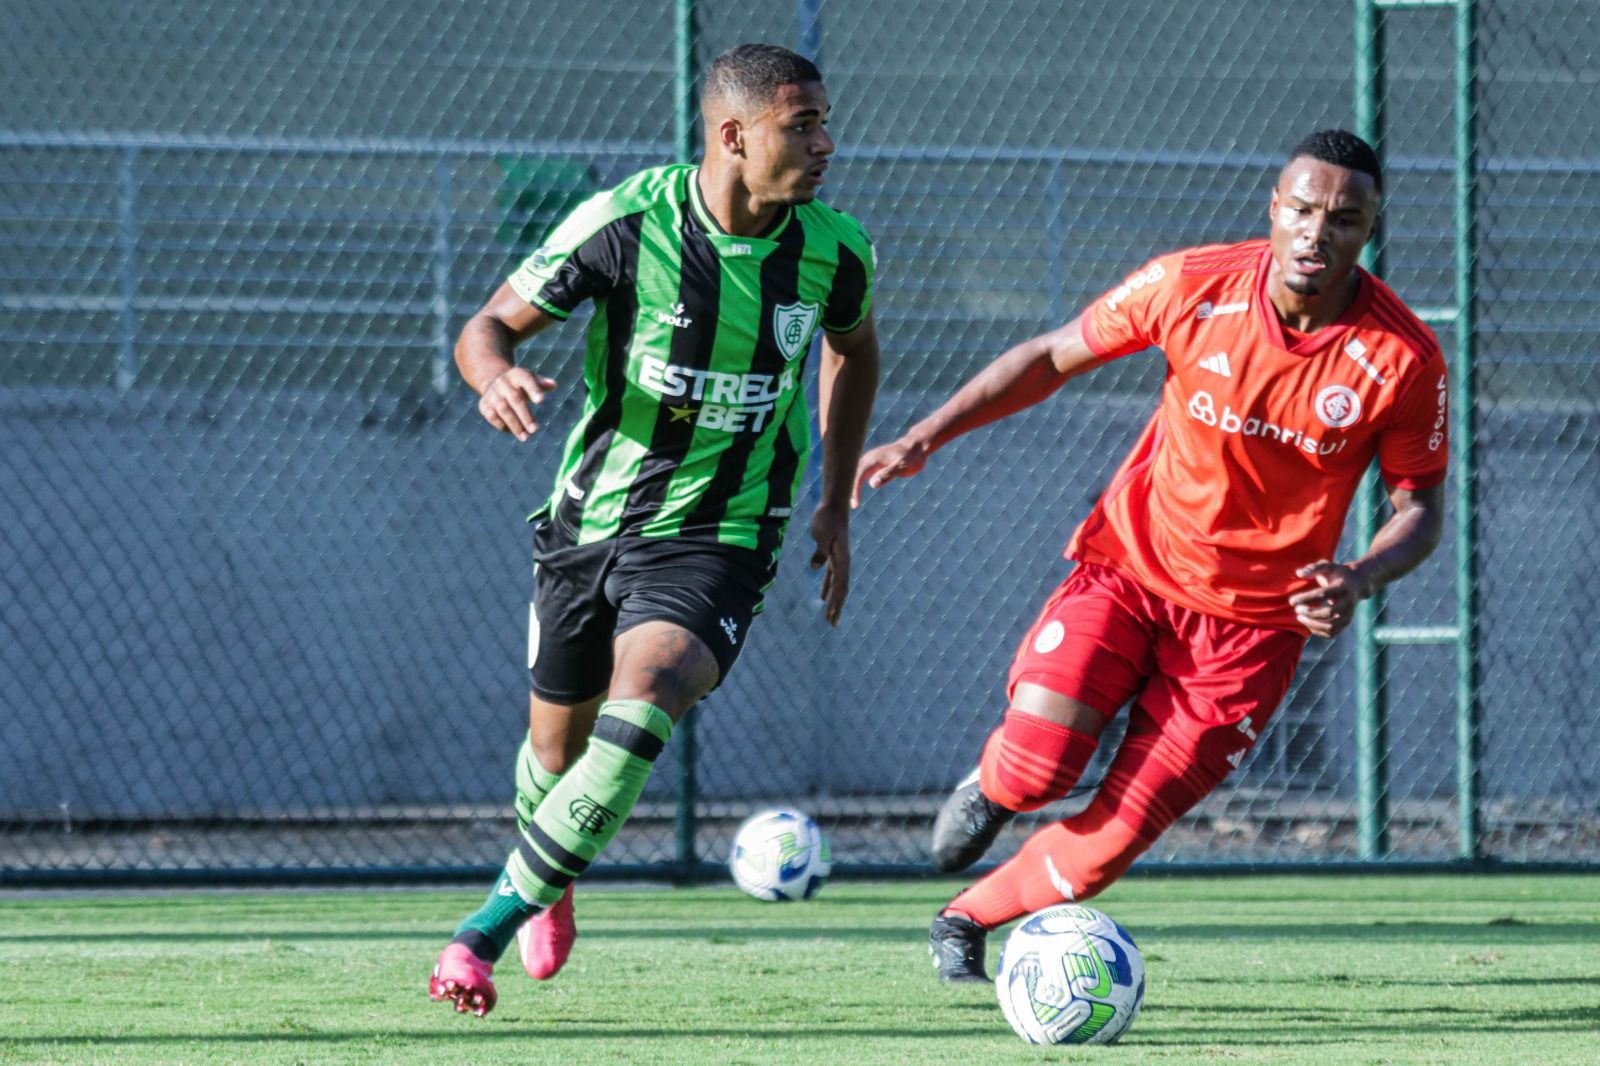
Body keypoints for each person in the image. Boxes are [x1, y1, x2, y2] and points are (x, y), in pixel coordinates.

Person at [853, 130, 1447, 983]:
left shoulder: (1402, 358)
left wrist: (1358, 575)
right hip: (1132, 569)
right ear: (1275, 210)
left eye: (1345, 219)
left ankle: (963, 918)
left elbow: (1418, 510)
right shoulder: (1192, 284)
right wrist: (925, 436)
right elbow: (1050, 357)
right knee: (1037, 766)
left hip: (1251, 636)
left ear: (1370, 231)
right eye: (1304, 210)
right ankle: (995, 785)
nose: (1319, 233)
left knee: (1103, 853)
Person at [430, 42, 880, 1016]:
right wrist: (494, 374)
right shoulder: (627, 223)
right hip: (591, 524)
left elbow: (853, 352)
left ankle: (485, 928)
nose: (825, 142)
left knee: (653, 691)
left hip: (724, 532)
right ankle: (556, 872)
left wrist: (835, 500)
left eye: (823, 121)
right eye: (801, 125)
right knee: (555, 752)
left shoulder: (834, 250)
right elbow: (486, 327)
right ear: (731, 134)